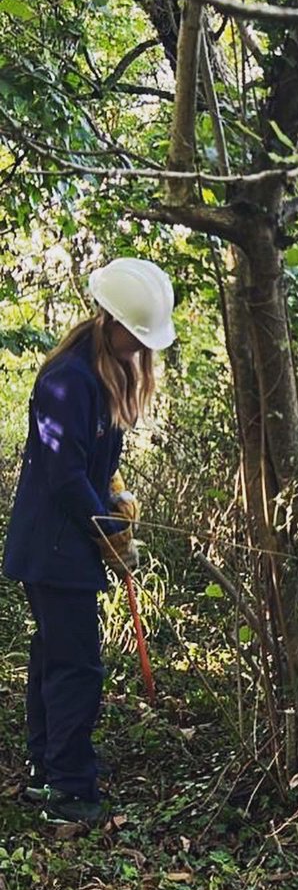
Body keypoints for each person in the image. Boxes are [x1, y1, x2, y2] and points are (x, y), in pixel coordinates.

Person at [3, 258, 176, 824]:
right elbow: (64, 475)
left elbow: (95, 464)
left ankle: (45, 771)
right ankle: (70, 789)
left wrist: (116, 497)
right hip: (52, 547)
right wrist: (108, 531)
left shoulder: (103, 375)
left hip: (65, 543)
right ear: (112, 321)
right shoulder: (67, 381)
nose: (142, 348)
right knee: (77, 666)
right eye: (137, 336)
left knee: (54, 654)